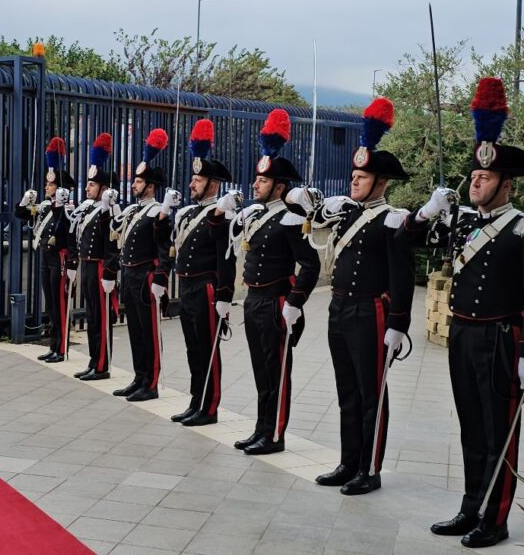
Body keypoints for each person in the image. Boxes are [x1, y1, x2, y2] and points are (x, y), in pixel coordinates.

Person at [402, 77, 524, 548]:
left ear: (506, 184)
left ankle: (496, 516)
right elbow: (409, 244)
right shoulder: (464, 222)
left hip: (500, 340)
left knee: (498, 431)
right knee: (471, 424)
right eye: (473, 176)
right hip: (463, 335)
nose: (476, 182)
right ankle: (471, 507)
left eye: (485, 178)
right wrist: (430, 212)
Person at [287, 97, 414, 495]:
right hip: (340, 306)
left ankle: (370, 467)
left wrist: (399, 324)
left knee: (370, 390)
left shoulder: (392, 219)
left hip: (370, 309)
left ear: (381, 182)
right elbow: (301, 207)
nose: (354, 180)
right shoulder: (345, 212)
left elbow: (403, 275)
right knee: (346, 389)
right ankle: (348, 460)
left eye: (363, 176)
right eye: (354, 175)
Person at [232, 109, 320, 455]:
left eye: (263, 181)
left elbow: (310, 265)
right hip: (254, 301)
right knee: (260, 370)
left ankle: (275, 434)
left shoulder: (290, 219)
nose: (255, 184)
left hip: (275, 304)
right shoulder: (256, 215)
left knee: (277, 371)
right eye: (257, 179)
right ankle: (260, 428)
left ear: (279, 186)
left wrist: (294, 303)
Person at [170, 119, 237, 427]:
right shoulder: (189, 212)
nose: (192, 184)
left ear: (212, 183)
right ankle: (196, 400)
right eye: (192, 179)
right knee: (192, 348)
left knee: (207, 349)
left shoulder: (221, 215)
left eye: (198, 180)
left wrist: (224, 295)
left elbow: (227, 257)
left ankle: (209, 407)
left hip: (207, 287)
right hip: (186, 286)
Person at [109, 128, 180, 401]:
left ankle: (150, 383)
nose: (133, 185)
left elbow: (165, 248)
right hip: (129, 274)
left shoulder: (157, 211)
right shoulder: (134, 210)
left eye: (138, 182)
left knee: (148, 332)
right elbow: (116, 233)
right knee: (136, 330)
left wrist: (161, 277)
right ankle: (139, 377)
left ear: (150, 186)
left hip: (145, 277)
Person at [14, 137, 76, 363]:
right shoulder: (43, 206)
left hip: (58, 257)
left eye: (50, 185)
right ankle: (53, 345)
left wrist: (60, 204)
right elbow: (21, 215)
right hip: (45, 255)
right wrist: (24, 201)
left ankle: (61, 347)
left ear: (59, 188)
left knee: (59, 303)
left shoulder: (67, 207)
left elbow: (65, 229)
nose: (46, 187)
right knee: (50, 303)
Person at [70, 132, 119, 381]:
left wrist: (110, 273)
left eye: (91, 184)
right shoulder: (89, 208)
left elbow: (112, 244)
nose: (87, 188)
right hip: (87, 265)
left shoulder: (108, 210)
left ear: (104, 188)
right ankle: (93, 360)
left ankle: (102, 365)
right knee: (91, 315)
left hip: (100, 266)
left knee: (101, 317)